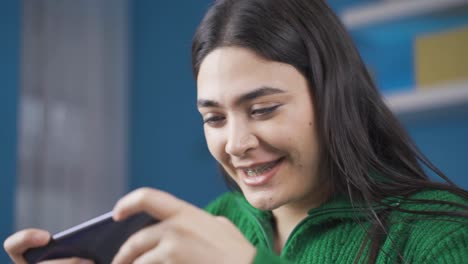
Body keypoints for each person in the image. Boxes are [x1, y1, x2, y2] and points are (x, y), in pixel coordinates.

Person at [4, 0, 468, 263]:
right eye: (215, 118)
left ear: (333, 97)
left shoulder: (437, 235)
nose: (236, 144)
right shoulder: (215, 223)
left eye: (263, 109)